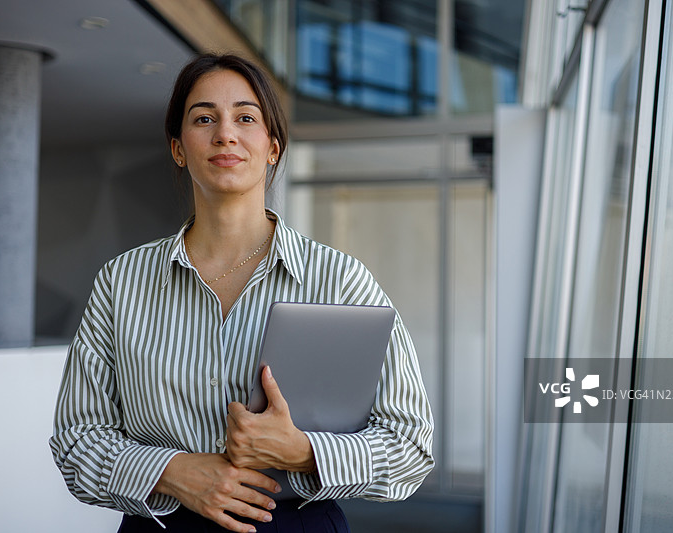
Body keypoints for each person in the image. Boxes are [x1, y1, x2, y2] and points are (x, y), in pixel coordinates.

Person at [49, 52, 434, 533]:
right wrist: (173, 473)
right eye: (204, 118)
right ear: (177, 148)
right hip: (166, 524)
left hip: (294, 523)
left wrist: (304, 452)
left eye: (245, 117)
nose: (225, 134)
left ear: (273, 147)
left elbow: (411, 446)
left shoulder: (339, 279)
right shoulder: (121, 281)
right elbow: (76, 441)